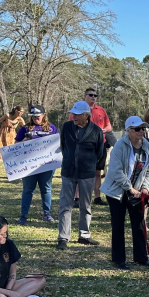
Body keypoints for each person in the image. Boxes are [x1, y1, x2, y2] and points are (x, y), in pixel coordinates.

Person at [100, 116, 149, 270]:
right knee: (118, 225)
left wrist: (145, 188)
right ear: (128, 131)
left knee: (139, 224)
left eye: (143, 128)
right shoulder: (120, 146)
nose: (141, 131)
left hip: (137, 191)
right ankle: (119, 259)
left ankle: (141, 257)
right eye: (137, 129)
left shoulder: (146, 145)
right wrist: (130, 189)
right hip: (117, 191)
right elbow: (115, 171)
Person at [57, 101, 104, 250]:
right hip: (68, 172)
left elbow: (100, 152)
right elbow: (63, 147)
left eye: (77, 114)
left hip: (87, 173)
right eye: (73, 113)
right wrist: (69, 160)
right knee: (65, 205)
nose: (74, 116)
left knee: (86, 205)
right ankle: (63, 238)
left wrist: (90, 165)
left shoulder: (96, 130)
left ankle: (84, 235)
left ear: (86, 115)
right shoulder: (66, 127)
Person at [13, 105, 59, 224]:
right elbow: (16, 145)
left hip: (46, 165)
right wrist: (24, 141)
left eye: (37, 116)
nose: (35, 118)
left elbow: (58, 144)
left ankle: (47, 214)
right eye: (33, 116)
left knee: (46, 189)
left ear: (44, 115)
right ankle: (23, 216)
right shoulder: (25, 128)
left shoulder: (52, 128)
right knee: (28, 190)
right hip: (29, 165)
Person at [68, 89, 113, 206]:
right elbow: (72, 126)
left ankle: (97, 197)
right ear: (85, 96)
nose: (93, 97)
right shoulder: (78, 109)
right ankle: (77, 198)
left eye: (95, 95)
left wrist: (102, 131)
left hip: (99, 144)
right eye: (91, 95)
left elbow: (109, 126)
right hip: (83, 145)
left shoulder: (101, 110)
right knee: (79, 171)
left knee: (98, 172)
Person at [0, 106, 24, 179]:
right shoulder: (7, 116)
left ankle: (12, 172)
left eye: (22, 112)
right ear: (16, 110)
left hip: (12, 137)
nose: (21, 113)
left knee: (12, 154)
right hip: (2, 135)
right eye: (20, 111)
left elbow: (25, 127)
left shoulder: (19, 119)